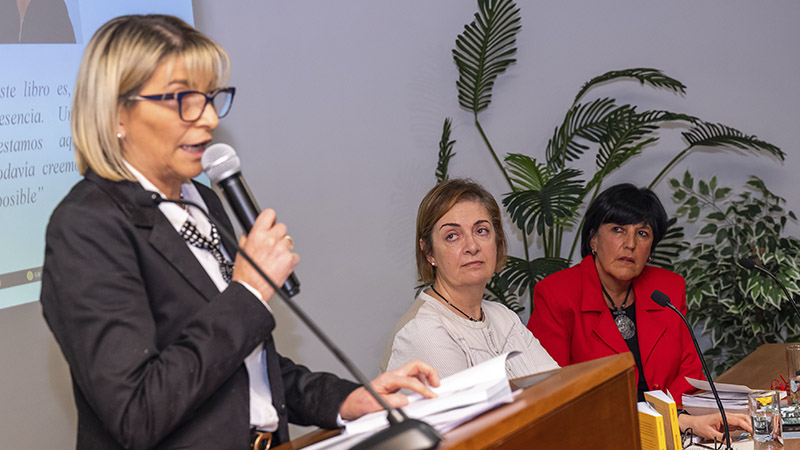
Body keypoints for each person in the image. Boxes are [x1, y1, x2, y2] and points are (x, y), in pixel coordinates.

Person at [40, 15, 438, 450]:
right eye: (183, 100)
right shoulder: (87, 226)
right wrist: (247, 292)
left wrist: (347, 400)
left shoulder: (202, 202)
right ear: (118, 113)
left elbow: (243, 369)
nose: (208, 117)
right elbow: (138, 411)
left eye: (210, 97)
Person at [527, 183, 750, 440]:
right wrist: (669, 422)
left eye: (642, 233)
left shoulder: (668, 288)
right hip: (597, 436)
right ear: (593, 240)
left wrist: (669, 423)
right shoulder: (557, 294)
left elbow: (690, 373)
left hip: (676, 431)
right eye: (618, 230)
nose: (630, 244)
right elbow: (553, 393)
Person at [386, 179, 559, 379]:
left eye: (481, 231)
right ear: (429, 252)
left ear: (497, 240)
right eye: (452, 236)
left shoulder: (503, 316)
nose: (472, 246)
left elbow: (560, 388)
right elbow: (479, 410)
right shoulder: (424, 331)